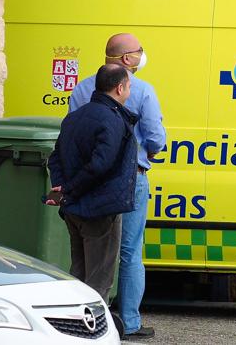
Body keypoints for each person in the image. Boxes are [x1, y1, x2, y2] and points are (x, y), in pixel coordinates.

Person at [69, 33, 167, 340]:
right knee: (129, 251)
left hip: (88, 178)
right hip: (130, 177)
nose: (142, 55)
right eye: (139, 51)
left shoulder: (83, 88)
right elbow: (156, 139)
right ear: (127, 60)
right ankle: (129, 322)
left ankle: (83, 318)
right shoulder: (143, 90)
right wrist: (148, 150)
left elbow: (72, 130)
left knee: (88, 253)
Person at [47, 63, 140, 303]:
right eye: (128, 86)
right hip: (100, 208)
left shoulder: (75, 117)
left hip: (73, 208)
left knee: (78, 273)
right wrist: (70, 190)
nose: (129, 91)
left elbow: (55, 157)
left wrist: (62, 188)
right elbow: (101, 164)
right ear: (119, 88)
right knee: (99, 279)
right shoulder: (113, 119)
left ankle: (68, 326)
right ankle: (91, 331)